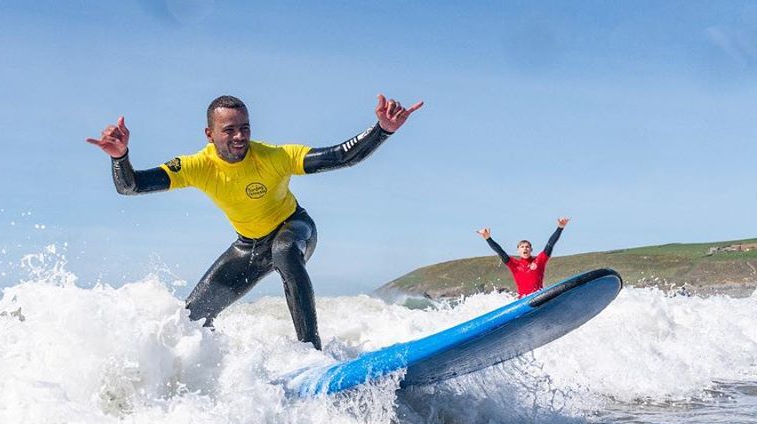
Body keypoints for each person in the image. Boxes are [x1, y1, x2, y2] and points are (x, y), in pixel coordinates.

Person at [87, 94, 423, 350]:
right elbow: (131, 186)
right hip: (249, 247)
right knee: (190, 320)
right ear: (209, 134)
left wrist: (382, 130)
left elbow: (339, 156)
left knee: (284, 250)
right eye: (229, 129)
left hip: (294, 229)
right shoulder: (196, 166)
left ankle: (311, 352)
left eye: (244, 127)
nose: (239, 136)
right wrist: (120, 157)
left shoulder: (273, 157)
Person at [477, 218, 571, 296]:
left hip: (538, 297)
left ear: (531, 249)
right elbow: (500, 251)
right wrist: (488, 238)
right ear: (518, 251)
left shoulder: (539, 260)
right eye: (522, 247)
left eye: (527, 247)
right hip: (523, 300)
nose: (525, 248)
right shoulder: (514, 264)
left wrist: (560, 227)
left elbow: (550, 244)